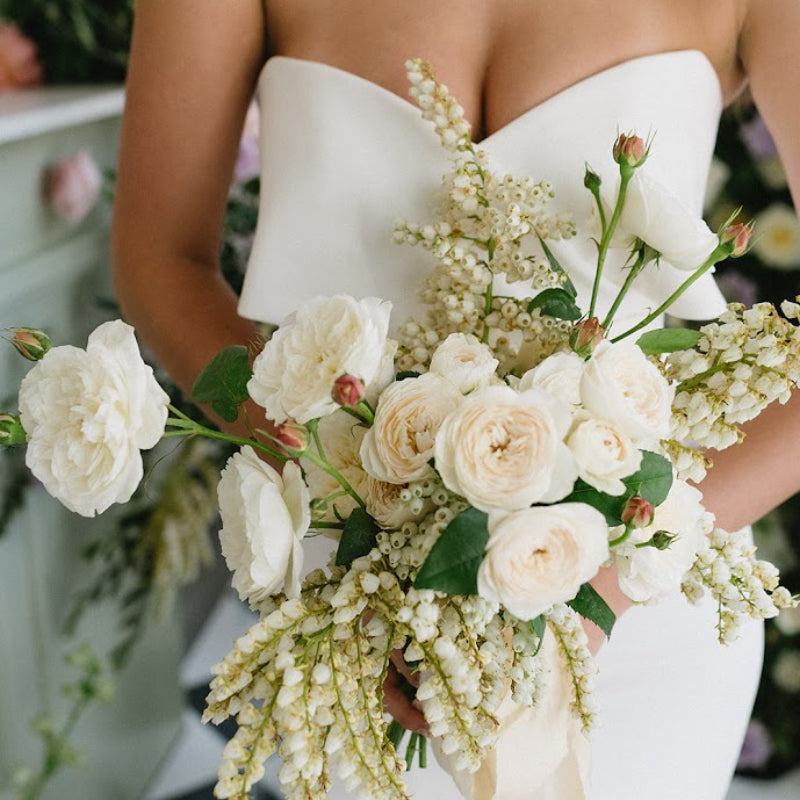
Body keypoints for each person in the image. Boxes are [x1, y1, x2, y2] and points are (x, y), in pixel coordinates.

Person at [111, 1, 800, 798]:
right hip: (359, 606)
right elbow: (160, 258)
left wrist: (594, 583)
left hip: (641, 606)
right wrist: (352, 501)